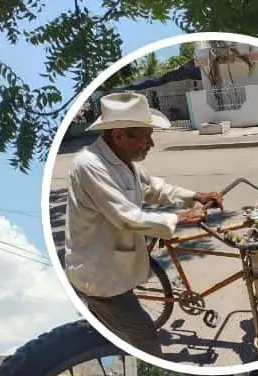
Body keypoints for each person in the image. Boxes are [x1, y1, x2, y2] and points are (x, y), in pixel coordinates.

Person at [63, 91, 224, 358]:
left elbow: (155, 189)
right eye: (145, 137)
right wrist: (182, 218)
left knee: (119, 327)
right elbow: (126, 217)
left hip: (120, 260)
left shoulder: (125, 161)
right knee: (143, 336)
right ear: (119, 136)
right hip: (102, 275)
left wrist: (196, 196)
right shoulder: (89, 166)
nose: (150, 143)